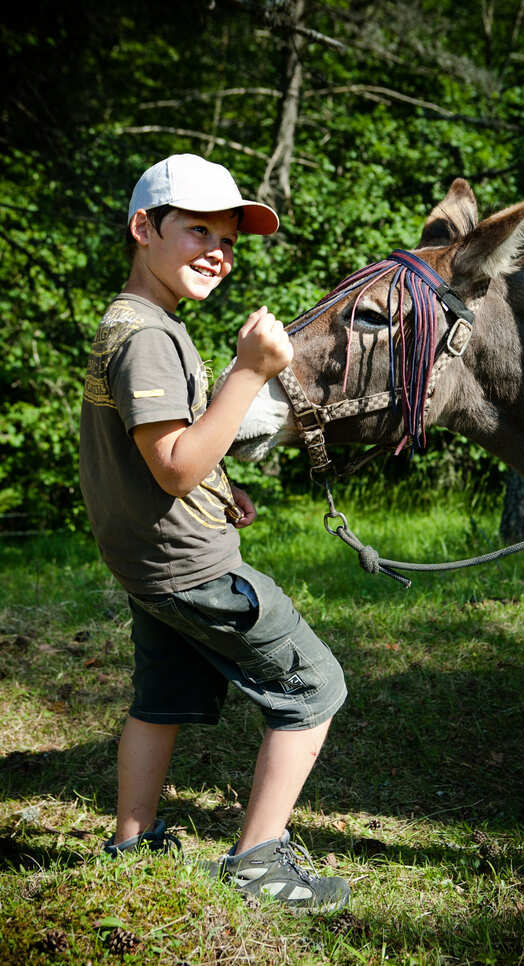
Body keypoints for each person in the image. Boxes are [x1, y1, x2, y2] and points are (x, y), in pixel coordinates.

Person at [79, 153, 349, 912]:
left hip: (149, 565)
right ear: (144, 227)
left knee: (161, 696)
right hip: (193, 568)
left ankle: (132, 841)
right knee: (315, 686)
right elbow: (172, 467)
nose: (217, 252)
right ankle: (258, 861)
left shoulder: (136, 322)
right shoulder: (150, 339)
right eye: (198, 230)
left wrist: (221, 486)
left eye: (227, 240)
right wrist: (250, 371)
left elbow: (167, 452)